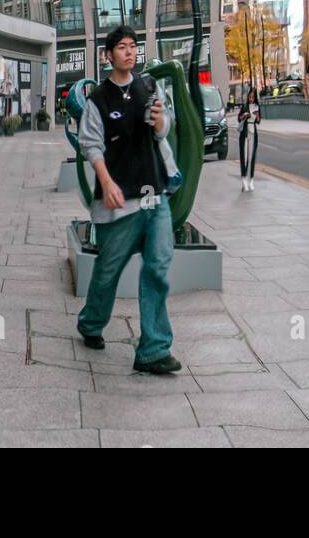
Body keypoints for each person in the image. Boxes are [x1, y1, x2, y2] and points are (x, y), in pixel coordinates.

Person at [75, 25, 181, 374]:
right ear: (108, 56)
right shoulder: (98, 100)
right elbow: (91, 145)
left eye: (133, 46)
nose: (129, 52)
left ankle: (153, 348)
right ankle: (91, 322)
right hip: (120, 202)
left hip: (155, 195)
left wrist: (160, 120)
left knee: (158, 268)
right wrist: (106, 183)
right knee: (107, 272)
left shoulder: (148, 86)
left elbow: (162, 132)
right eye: (121, 47)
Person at [238, 87, 261, 192]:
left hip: (253, 133)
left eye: (253, 97)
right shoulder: (244, 106)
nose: (251, 98)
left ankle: (251, 180)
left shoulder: (257, 106)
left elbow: (258, 121)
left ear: (255, 97)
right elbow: (239, 119)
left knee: (251, 158)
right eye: (250, 96)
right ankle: (244, 181)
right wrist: (244, 116)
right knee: (244, 157)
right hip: (244, 134)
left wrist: (257, 116)